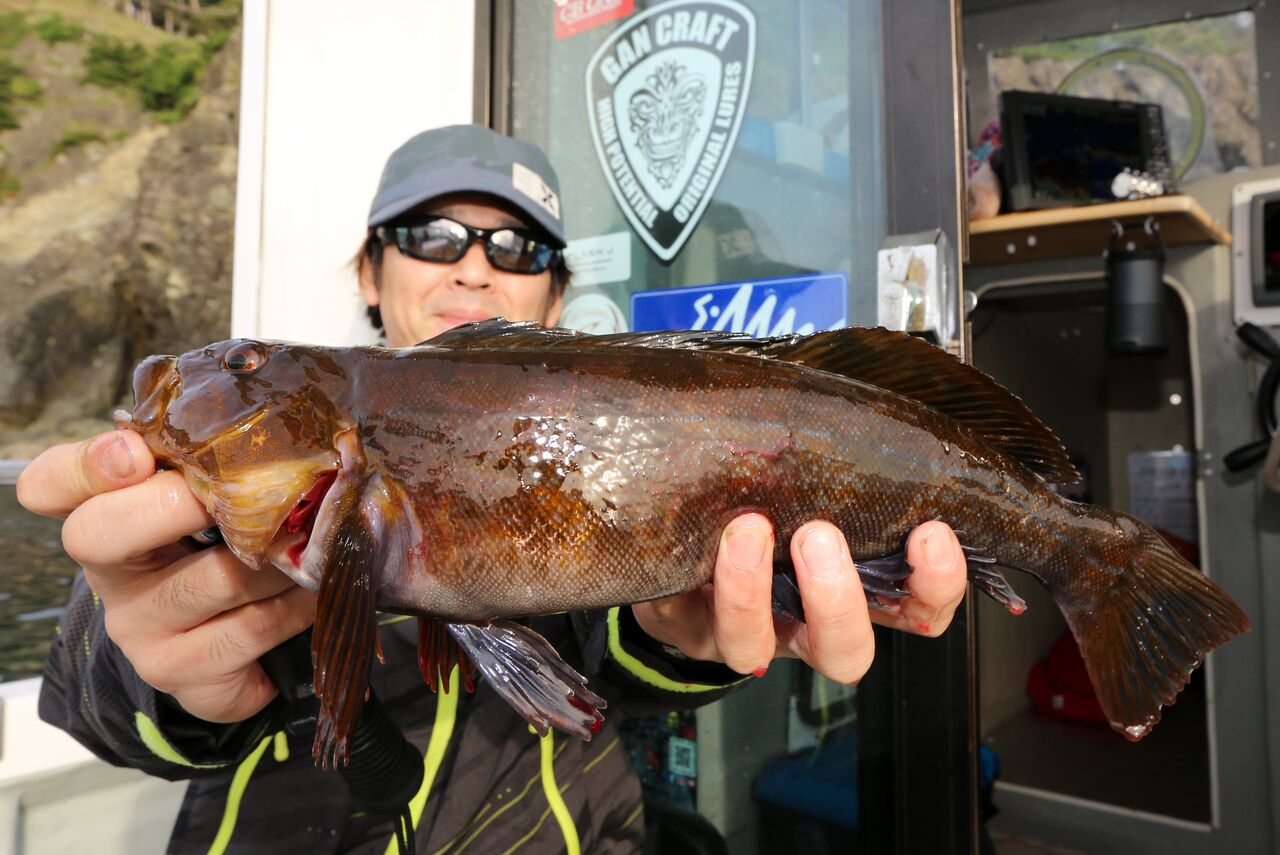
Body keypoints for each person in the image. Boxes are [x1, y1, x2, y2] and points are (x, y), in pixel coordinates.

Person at [17, 125, 968, 854]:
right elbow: (93, 697)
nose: (475, 264)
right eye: (433, 235)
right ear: (369, 270)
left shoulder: (615, 417)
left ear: (554, 301)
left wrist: (690, 633)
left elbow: (622, 647)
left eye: (519, 250)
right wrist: (143, 650)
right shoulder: (245, 475)